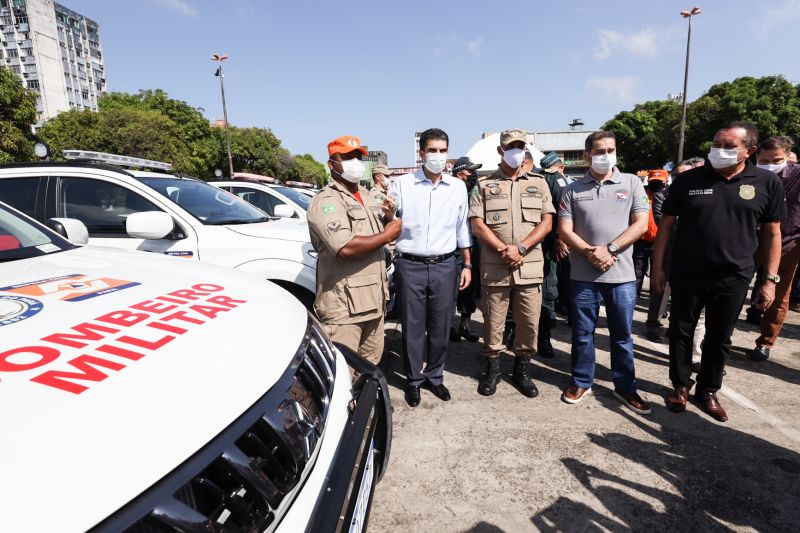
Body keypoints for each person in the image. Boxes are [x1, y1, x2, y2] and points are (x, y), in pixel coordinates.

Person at [652, 122, 786, 422]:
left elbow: (772, 234)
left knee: (720, 337)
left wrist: (770, 280)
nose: (719, 151)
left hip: (735, 274)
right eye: (716, 144)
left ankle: (708, 390)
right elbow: (666, 226)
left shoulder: (765, 182)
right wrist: (658, 267)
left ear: (749, 151)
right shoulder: (690, 180)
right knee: (680, 331)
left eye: (728, 146)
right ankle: (681, 386)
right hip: (687, 271)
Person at [558, 131, 651, 414]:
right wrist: (589, 252)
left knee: (622, 335)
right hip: (584, 276)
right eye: (599, 151)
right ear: (587, 155)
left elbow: (641, 224)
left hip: (621, 277)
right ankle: (582, 381)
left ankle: (625, 387)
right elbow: (564, 229)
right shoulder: (571, 189)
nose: (606, 156)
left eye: (610, 150)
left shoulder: (632, 182)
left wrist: (609, 249)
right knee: (583, 333)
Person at [390, 128, 472, 407]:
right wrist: (387, 212)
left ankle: (435, 376)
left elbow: (462, 228)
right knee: (412, 326)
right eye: (432, 150)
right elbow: (389, 219)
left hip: (445, 265)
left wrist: (467, 264)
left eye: (442, 150)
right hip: (410, 265)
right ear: (421, 153)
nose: (438, 156)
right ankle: (413, 379)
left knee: (441, 325)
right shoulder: (402, 184)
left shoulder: (458, 187)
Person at [469, 129, 555, 397]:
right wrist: (502, 249)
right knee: (493, 321)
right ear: (500, 151)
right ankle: (493, 368)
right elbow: (476, 224)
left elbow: (547, 222)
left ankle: (522, 368)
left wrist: (521, 248)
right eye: (511, 147)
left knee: (529, 321)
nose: (516, 151)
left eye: (521, 146)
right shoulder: (484, 185)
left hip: (529, 265)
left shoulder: (540, 183)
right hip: (496, 266)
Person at [307, 135, 402, 373]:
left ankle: (365, 407)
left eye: (358, 157)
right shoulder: (327, 201)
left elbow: (378, 237)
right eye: (347, 157)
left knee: (369, 367)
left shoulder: (367, 196)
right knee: (343, 372)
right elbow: (345, 247)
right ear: (332, 164)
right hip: (344, 308)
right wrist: (388, 234)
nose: (355, 162)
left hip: (374, 301)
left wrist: (388, 219)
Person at [748, 136, 800, 361]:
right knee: (732, 283)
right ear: (756, 156)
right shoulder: (750, 173)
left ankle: (766, 342)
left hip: (788, 240)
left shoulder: (798, 175)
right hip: (749, 237)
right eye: (764, 159)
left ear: (788, 156)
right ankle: (720, 331)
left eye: (776, 159)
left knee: (779, 292)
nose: (770, 164)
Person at [537, 151, 570, 357]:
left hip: (538, 246)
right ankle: (544, 338)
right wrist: (560, 238)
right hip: (548, 247)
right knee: (548, 292)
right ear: (561, 166)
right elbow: (565, 210)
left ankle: (539, 336)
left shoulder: (538, 178)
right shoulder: (556, 179)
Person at [450, 156, 483, 342]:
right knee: (452, 288)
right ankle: (447, 327)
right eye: (471, 171)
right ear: (459, 174)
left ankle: (465, 325)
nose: (474, 175)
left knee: (470, 288)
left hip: (473, 247)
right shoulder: (449, 192)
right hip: (453, 249)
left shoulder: (475, 192)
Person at [633, 169, 669, 297]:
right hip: (641, 241)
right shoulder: (641, 195)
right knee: (637, 271)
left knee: (657, 273)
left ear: (666, 181)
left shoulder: (669, 197)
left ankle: (656, 301)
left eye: (659, 182)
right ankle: (633, 298)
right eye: (653, 181)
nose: (656, 184)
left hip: (660, 242)